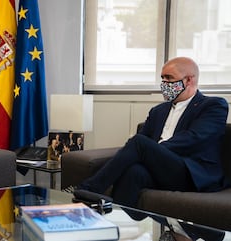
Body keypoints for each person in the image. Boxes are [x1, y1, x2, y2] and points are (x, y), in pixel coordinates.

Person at [76, 57, 229, 241]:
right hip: (161, 170)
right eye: (162, 78)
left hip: (191, 172)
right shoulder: (158, 111)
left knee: (139, 143)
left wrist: (153, 150)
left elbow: (195, 139)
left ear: (189, 80)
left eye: (169, 78)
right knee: (134, 171)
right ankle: (111, 225)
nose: (163, 83)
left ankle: (89, 189)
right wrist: (151, 153)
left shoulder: (213, 105)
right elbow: (143, 143)